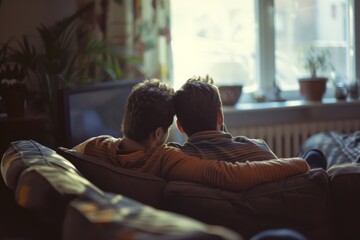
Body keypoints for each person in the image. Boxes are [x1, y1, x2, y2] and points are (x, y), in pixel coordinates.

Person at [73, 78, 310, 192]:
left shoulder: (95, 147)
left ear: (127, 118)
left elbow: (64, 155)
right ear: (158, 133)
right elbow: (228, 174)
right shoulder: (165, 158)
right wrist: (300, 162)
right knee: (313, 154)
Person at [170, 75, 327, 169]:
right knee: (314, 156)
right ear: (220, 116)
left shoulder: (174, 160)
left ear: (180, 126)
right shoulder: (256, 149)